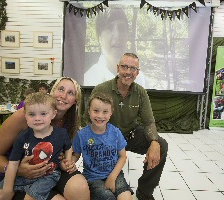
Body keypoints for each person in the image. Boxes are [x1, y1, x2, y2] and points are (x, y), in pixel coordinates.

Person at [0, 77, 90, 200]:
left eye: (70, 93)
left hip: (51, 173)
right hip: (14, 176)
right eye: (60, 89)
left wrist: (66, 161)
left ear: (75, 101)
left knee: (80, 188)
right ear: (52, 91)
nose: (64, 95)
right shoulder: (25, 116)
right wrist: (18, 170)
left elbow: (64, 151)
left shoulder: (69, 123)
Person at [89, 53, 168, 200]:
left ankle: (144, 192)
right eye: (125, 67)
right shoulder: (102, 89)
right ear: (118, 68)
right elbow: (89, 120)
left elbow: (148, 122)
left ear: (137, 72)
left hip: (130, 135)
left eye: (133, 68)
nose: (128, 72)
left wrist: (154, 142)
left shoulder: (140, 92)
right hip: (107, 136)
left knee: (161, 145)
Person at [0, 92, 74, 200]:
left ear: (53, 114)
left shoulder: (61, 134)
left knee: (30, 198)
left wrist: (67, 160)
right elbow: (13, 164)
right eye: (32, 114)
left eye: (43, 114)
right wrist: (7, 190)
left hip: (48, 176)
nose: (37, 118)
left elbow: (68, 147)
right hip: (22, 175)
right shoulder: (22, 137)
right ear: (25, 115)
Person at [72, 92, 133, 200]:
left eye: (105, 112)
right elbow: (76, 155)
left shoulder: (116, 132)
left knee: (126, 198)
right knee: (108, 198)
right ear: (89, 111)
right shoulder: (81, 135)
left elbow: (123, 156)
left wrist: (112, 176)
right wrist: (69, 162)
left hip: (115, 174)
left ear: (111, 113)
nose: (100, 116)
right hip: (93, 179)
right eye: (96, 111)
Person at [84, 7, 147, 88]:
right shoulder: (89, 79)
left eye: (121, 28)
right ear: (99, 37)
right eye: (109, 28)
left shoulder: (140, 79)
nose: (117, 35)